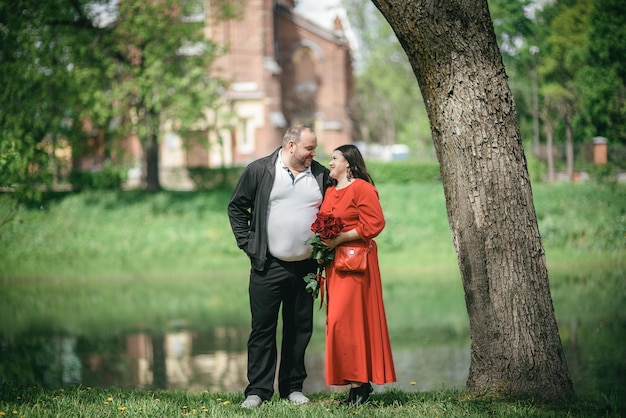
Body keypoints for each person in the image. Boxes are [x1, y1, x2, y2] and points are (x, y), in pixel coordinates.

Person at [227, 125, 330, 409]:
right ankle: (257, 392)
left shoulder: (320, 174)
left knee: (299, 329)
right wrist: (249, 244)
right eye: (309, 148)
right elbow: (237, 207)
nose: (313, 153)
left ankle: (292, 388)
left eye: (314, 148)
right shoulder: (260, 170)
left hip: (307, 268)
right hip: (267, 266)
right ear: (291, 146)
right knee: (262, 329)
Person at [319, 144, 396, 405]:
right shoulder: (330, 191)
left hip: (356, 266)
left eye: (334, 158)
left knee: (351, 322)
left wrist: (340, 238)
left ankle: (361, 387)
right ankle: (355, 386)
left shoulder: (362, 188)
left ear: (348, 164)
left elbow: (375, 223)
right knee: (339, 325)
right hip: (335, 266)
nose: (329, 162)